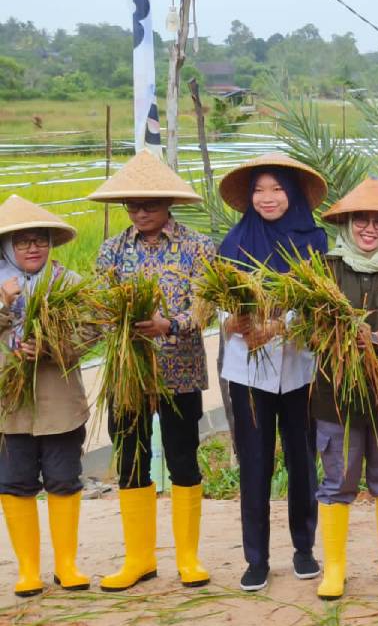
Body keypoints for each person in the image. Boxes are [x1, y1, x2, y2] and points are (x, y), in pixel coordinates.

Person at [89, 149, 216, 591]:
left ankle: (188, 559)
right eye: (133, 206)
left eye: (150, 205)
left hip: (179, 371)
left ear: (169, 205)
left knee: (183, 458)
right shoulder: (111, 250)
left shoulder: (197, 247)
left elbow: (207, 305)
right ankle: (139, 559)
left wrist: (171, 325)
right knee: (131, 460)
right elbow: (99, 308)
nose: (141, 213)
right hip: (129, 374)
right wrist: (120, 323)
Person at [216, 152, 329, 592]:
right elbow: (220, 302)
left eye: (277, 188)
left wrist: (282, 325)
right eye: (259, 190)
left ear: (294, 194)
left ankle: (304, 549)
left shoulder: (314, 241)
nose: (267, 198)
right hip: (248, 374)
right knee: (255, 462)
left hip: (299, 369)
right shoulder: (233, 242)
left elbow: (319, 302)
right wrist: (238, 323)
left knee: (302, 461)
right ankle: (256, 558)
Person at [312, 177, 378, 600]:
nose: (370, 229)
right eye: (362, 221)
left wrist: (377, 339)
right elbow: (313, 318)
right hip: (334, 393)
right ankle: (334, 569)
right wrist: (337, 335)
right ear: (348, 224)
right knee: (338, 479)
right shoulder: (327, 267)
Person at [0, 195, 93, 597]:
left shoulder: (68, 283)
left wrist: (53, 349)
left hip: (60, 404)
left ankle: (67, 565)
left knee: (62, 479)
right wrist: (4, 305)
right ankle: (28, 570)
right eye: (23, 242)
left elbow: (92, 331)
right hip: (10, 407)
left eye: (40, 240)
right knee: (16, 482)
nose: (33, 247)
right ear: (7, 247)